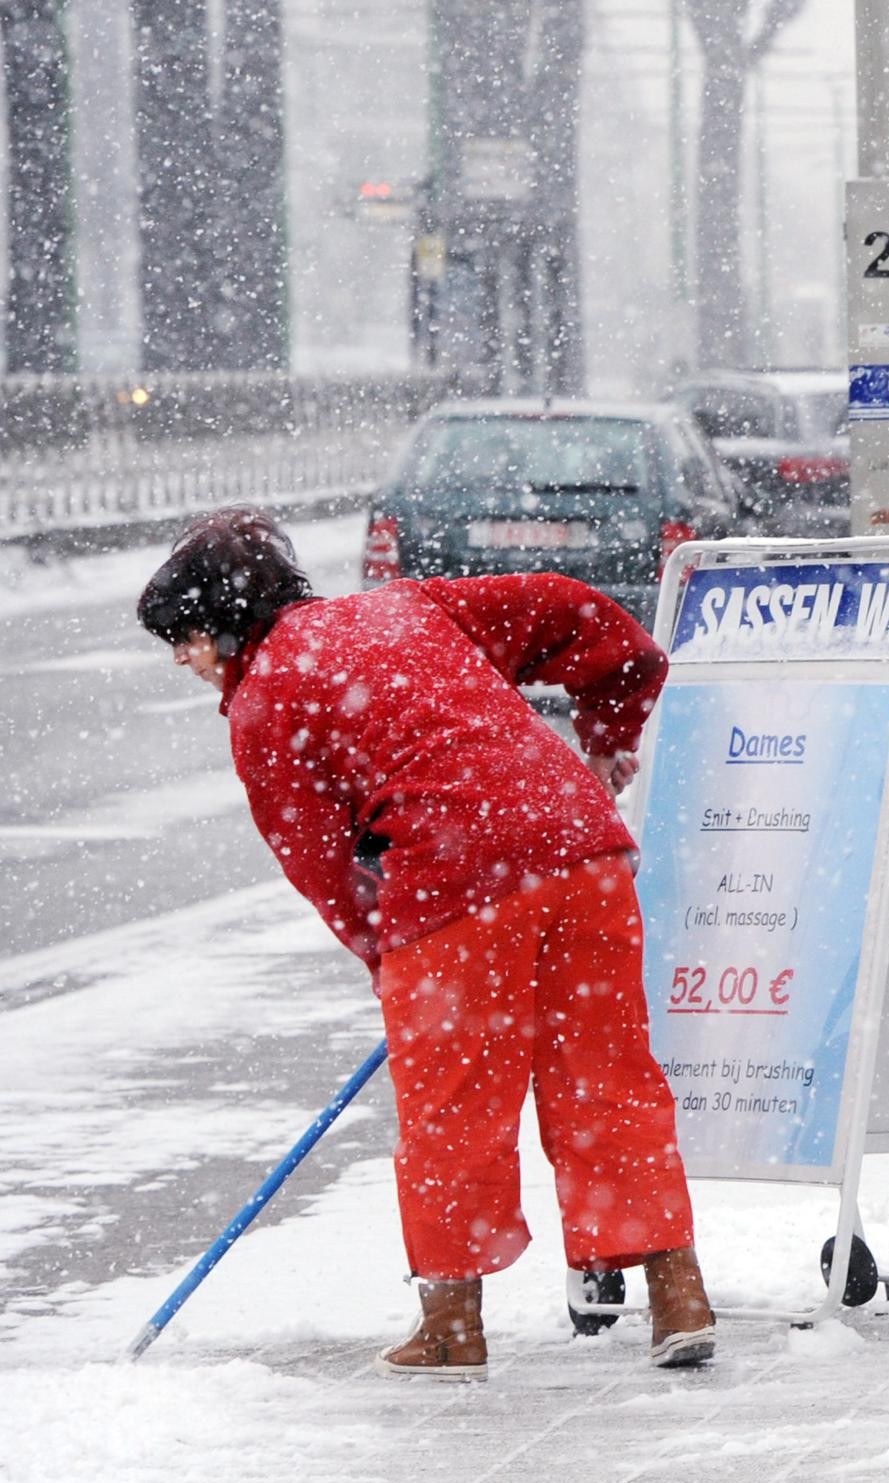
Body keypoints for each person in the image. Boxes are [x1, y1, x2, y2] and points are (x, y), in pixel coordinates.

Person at [137, 507, 716, 1374]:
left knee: (453, 1112)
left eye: (184, 638)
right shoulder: (408, 606)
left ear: (225, 623)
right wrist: (603, 741)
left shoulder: (264, 704)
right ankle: (680, 1296)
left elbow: (321, 867)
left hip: (453, 886)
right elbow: (585, 616)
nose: (183, 659)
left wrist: (390, 955)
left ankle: (452, 1326)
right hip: (580, 853)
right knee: (609, 1079)